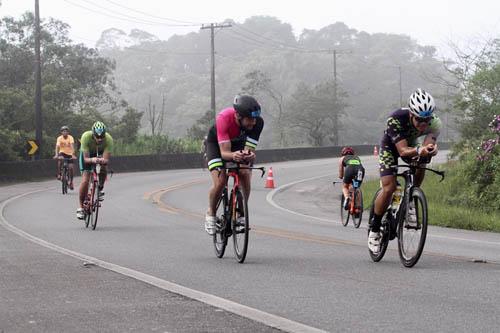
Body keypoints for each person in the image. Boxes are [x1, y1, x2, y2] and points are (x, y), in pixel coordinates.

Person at [368, 88, 440, 253]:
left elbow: (427, 146)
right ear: (411, 115)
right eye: (420, 120)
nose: (423, 125)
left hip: (411, 144)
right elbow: (402, 151)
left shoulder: (435, 123)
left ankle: (412, 198)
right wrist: (418, 150)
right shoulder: (396, 118)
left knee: (423, 159)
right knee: (389, 187)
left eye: (427, 120)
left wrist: (430, 150)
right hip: (391, 146)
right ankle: (375, 228)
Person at [204, 94, 264, 235]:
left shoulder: (257, 123)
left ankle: (241, 213)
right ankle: (211, 213)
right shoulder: (224, 118)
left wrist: (249, 155)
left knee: (244, 172)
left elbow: (249, 149)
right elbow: (225, 153)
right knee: (221, 181)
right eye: (249, 119)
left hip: (237, 144)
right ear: (238, 115)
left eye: (254, 119)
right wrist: (233, 156)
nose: (253, 123)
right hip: (216, 145)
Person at [76, 121, 113, 220]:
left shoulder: (108, 139)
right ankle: (80, 207)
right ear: (93, 134)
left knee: (104, 168)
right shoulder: (86, 137)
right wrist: (92, 160)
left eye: (102, 137)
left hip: (99, 154)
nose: (100, 139)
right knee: (85, 180)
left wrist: (102, 161)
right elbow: (86, 159)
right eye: (97, 136)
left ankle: (99, 187)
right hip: (87, 156)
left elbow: (106, 159)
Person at [53, 126, 77, 190]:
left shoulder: (70, 137)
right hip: (62, 153)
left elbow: (72, 146)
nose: (65, 132)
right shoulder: (59, 138)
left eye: (66, 131)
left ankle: (71, 182)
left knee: (71, 168)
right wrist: (56, 154)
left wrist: (73, 154)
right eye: (63, 131)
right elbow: (57, 147)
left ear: (68, 132)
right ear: (61, 132)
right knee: (60, 159)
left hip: (70, 154)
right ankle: (59, 174)